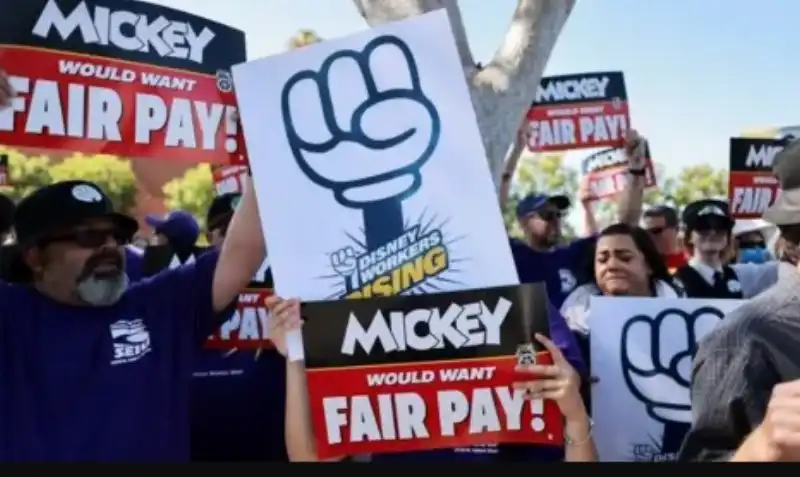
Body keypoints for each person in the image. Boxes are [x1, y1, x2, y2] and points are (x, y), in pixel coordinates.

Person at [0, 168, 265, 459]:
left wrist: (267, 145)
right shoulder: (11, 317)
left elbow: (244, 250)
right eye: (89, 236)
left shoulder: (160, 306)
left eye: (117, 236)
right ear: (35, 256)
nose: (111, 247)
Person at [266, 295, 597, 462]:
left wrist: (576, 415)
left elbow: (554, 379)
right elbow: (310, 459)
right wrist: (296, 355)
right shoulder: (371, 315)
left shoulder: (518, 305)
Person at [678, 139, 800, 461]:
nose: (712, 235)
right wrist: (763, 446)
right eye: (703, 229)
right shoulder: (743, 341)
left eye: (720, 229)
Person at [560, 223, 685, 455]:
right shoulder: (570, 329)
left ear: (648, 264)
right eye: (603, 259)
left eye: (624, 257)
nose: (612, 265)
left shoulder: (688, 318)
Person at [190, 192, 288, 461]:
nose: (241, 241)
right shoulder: (187, 296)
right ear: (210, 237)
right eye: (226, 230)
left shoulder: (290, 289)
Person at [510, 131, 647, 308]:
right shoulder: (514, 256)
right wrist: (515, 151)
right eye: (547, 215)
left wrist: (635, 170)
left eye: (559, 215)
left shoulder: (574, 254)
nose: (555, 221)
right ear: (523, 222)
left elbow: (625, 227)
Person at [672, 199, 777, 299]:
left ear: (728, 236)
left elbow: (783, 270)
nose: (712, 232)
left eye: (721, 226)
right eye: (703, 226)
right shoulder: (676, 281)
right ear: (689, 236)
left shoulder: (741, 276)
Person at [642, 205, 687, 273]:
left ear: (675, 229)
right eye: (646, 232)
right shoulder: (644, 264)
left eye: (655, 231)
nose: (650, 237)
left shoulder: (691, 261)